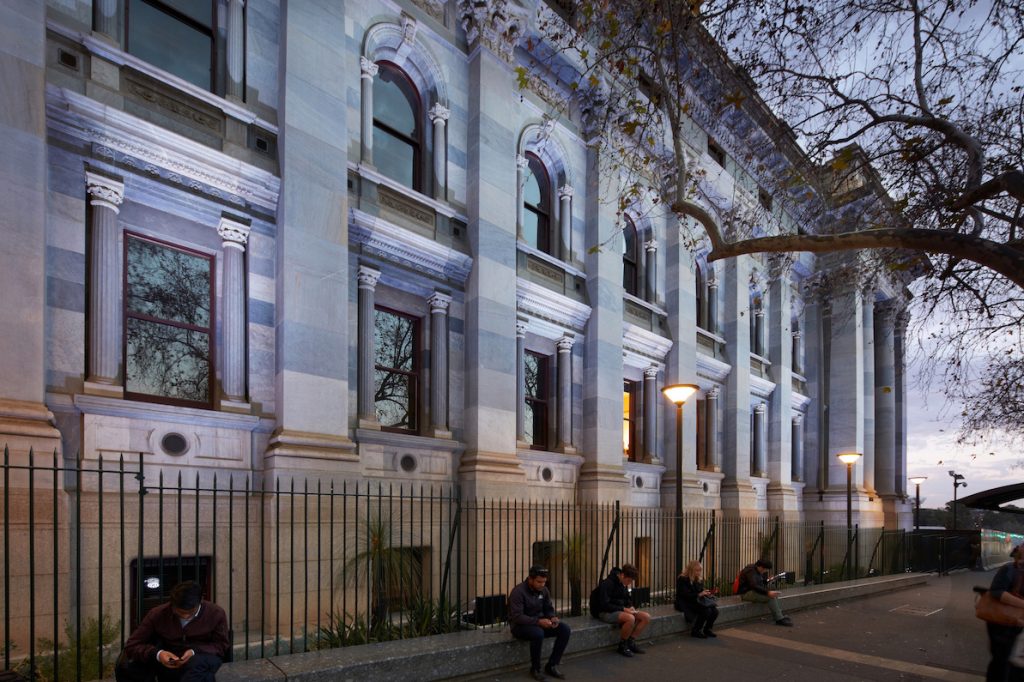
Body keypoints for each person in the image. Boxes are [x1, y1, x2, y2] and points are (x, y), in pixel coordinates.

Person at [115, 581, 229, 682]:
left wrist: (194, 651)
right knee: (130, 668)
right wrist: (158, 654)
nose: (185, 617)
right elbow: (132, 645)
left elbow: (221, 645)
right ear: (172, 604)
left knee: (197, 666)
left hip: (203, 655)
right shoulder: (157, 614)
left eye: (190, 613)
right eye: (179, 612)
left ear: (200, 602)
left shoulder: (216, 613)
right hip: (170, 655)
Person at [508, 565, 572, 681]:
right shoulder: (518, 592)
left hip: (540, 623)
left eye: (544, 582)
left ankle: (552, 665)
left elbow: (548, 608)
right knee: (538, 634)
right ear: (530, 579)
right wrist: (538, 622)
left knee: (565, 629)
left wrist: (552, 617)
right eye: (539, 582)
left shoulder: (544, 590)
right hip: (520, 626)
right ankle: (535, 669)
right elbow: (517, 617)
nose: (542, 585)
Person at [589, 564, 651, 657]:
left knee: (646, 617)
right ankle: (622, 645)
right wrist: (623, 609)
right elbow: (604, 605)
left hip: (619, 609)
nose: (629, 583)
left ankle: (631, 642)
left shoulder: (622, 583)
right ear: (622, 575)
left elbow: (627, 599)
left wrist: (630, 607)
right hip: (604, 612)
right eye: (629, 580)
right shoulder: (607, 583)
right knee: (630, 618)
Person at [984, 544, 1024, 682]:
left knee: (1014, 664)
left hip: (1017, 625)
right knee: (1002, 663)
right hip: (1003, 624)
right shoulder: (1009, 569)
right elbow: (996, 592)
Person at [737, 559, 792, 626]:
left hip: (752, 591)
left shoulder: (756, 570)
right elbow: (754, 585)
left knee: (774, 595)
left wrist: (768, 580)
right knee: (770, 597)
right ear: (761, 567)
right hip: (746, 593)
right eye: (765, 569)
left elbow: (759, 583)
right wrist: (767, 593)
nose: (764, 571)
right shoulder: (750, 571)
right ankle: (779, 619)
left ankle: (780, 616)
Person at [675, 560, 719, 638]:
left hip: (696, 600)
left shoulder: (697, 579)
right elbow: (685, 594)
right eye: (697, 570)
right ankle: (696, 630)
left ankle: (707, 629)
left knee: (715, 611)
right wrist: (699, 594)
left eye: (700, 570)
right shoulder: (682, 579)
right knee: (706, 611)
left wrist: (705, 592)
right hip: (685, 602)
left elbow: (699, 591)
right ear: (691, 570)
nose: (699, 572)